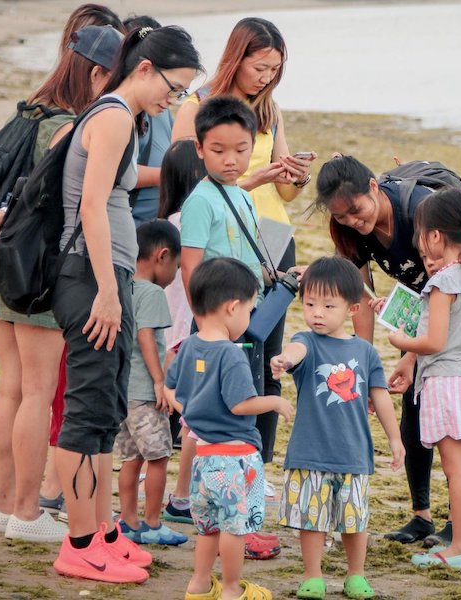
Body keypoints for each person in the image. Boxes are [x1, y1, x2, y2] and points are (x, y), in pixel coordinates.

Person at [49, 25, 201, 585]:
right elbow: (91, 206)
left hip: (104, 275)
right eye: (175, 87)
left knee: (103, 409)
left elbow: (123, 181)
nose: (174, 100)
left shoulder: (124, 120)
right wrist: (110, 293)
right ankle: (80, 542)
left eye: (183, 92)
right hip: (90, 279)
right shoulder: (113, 115)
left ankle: (100, 530)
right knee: (86, 413)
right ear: (145, 68)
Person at [0, 20, 124, 543]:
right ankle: (27, 511)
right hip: (33, 269)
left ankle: (4, 505)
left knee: (11, 389)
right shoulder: (73, 123)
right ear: (99, 72)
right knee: (37, 392)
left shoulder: (31, 108)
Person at [172, 17, 316, 480]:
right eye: (260, 66)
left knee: (265, 354)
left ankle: (257, 459)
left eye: (275, 69)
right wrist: (253, 179)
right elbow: (185, 180)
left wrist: (294, 177)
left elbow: (287, 194)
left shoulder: (269, 111)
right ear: (236, 58)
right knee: (220, 349)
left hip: (272, 236)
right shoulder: (198, 105)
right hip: (220, 234)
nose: (267, 77)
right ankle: (206, 452)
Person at [311, 155, 446, 546]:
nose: (353, 221)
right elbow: (361, 297)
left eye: (356, 210)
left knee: (448, 415)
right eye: (342, 217)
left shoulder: (419, 211)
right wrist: (362, 363)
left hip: (457, 298)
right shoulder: (352, 233)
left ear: (373, 186)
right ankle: (422, 516)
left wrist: (410, 356)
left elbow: (454, 279)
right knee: (414, 412)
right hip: (422, 310)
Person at [178, 95, 288, 560]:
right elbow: (191, 267)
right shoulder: (201, 200)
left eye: (241, 149)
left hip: (245, 320)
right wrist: (206, 326)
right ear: (199, 149)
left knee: (237, 411)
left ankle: (231, 501)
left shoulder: (242, 195)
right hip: (220, 327)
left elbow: (253, 256)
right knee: (219, 416)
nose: (231, 159)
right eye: (219, 149)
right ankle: (198, 500)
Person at [268, 256, 404, 600]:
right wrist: (285, 359)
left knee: (354, 520)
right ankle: (312, 575)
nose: (317, 312)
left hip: (353, 452)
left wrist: (394, 438)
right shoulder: (307, 341)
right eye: (310, 303)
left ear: (352, 308)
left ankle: (355, 574)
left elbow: (381, 397)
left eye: (329, 305)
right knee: (311, 520)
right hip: (310, 451)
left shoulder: (365, 351)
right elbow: (295, 350)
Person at [167, 257, 294, 600]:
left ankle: (199, 584)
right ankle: (233, 588)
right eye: (250, 310)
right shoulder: (232, 354)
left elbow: (170, 388)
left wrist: (192, 412)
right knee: (234, 530)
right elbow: (241, 405)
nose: (249, 318)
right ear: (232, 307)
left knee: (207, 528)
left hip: (203, 458)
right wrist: (275, 403)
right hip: (235, 460)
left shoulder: (189, 345)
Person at [387, 188, 461, 569]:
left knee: (455, 469)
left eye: (421, 233)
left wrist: (400, 340)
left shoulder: (441, 283)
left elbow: (432, 341)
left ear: (434, 236)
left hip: (447, 381)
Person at [114, 219, 189, 546]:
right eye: (177, 265)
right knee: (158, 457)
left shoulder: (123, 286)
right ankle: (153, 522)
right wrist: (161, 381)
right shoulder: (153, 293)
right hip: (145, 393)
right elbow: (147, 336)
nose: (176, 274)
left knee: (131, 459)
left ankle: (128, 520)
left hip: (123, 393)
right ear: (162, 256)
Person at [157, 139, 208, 525]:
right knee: (193, 421)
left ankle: (171, 495)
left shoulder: (164, 226)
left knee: (171, 422)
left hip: (167, 332)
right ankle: (181, 496)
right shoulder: (190, 223)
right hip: (187, 331)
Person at [122, 15, 175, 227]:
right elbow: (120, 171)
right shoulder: (117, 114)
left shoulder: (162, 109)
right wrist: (170, 175)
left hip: (155, 228)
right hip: (129, 225)